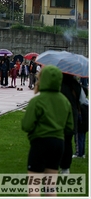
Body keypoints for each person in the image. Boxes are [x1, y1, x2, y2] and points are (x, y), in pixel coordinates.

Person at [21, 65, 73, 196]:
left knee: (34, 186)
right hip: (58, 144)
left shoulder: (37, 101)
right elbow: (69, 127)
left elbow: (26, 125)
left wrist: (34, 132)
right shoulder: (65, 101)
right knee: (51, 186)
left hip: (40, 142)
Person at [59, 73, 82, 174]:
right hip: (72, 115)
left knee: (59, 141)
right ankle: (66, 168)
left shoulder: (59, 85)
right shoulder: (76, 85)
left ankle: (57, 164)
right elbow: (82, 100)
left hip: (60, 116)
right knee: (68, 142)